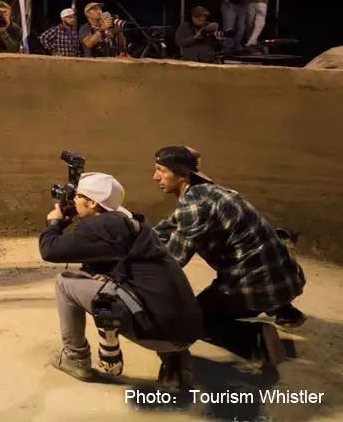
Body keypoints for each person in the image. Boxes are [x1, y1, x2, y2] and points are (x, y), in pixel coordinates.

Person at [40, 172, 202, 388]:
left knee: (65, 282)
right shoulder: (134, 223)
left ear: (93, 202)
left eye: (78, 196)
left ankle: (76, 359)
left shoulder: (100, 226)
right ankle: (177, 365)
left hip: (156, 331)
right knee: (148, 286)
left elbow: (50, 250)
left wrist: (54, 224)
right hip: (187, 330)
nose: (73, 201)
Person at [152, 146, 306, 367]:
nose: (155, 176)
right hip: (287, 277)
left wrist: (134, 271)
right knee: (251, 257)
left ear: (182, 174)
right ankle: (285, 310)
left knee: (192, 319)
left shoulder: (194, 206)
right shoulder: (210, 192)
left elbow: (173, 261)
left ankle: (257, 342)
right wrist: (138, 236)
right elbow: (171, 225)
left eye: (161, 170)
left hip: (254, 286)